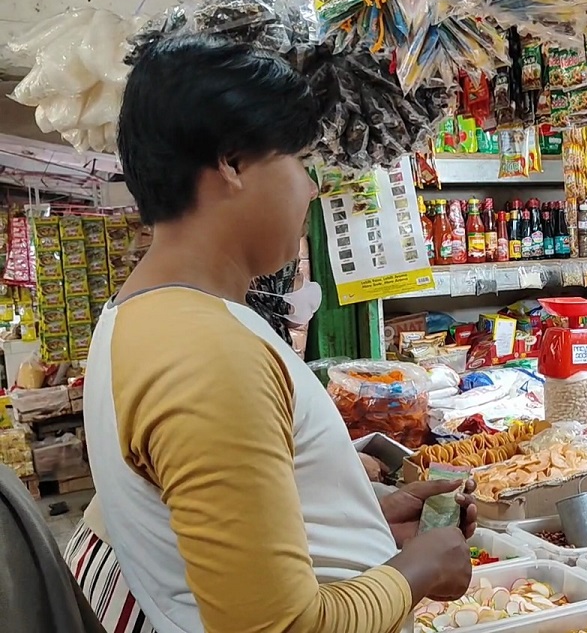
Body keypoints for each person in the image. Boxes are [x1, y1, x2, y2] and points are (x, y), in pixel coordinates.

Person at [67, 34, 474, 633]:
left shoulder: (138, 315)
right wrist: (417, 571)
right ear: (231, 164)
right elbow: (276, 628)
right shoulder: (207, 355)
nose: (311, 188)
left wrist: (362, 521)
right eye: (301, 161)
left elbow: (215, 541)